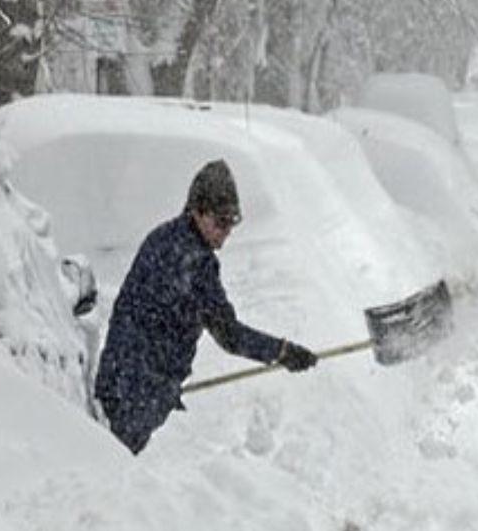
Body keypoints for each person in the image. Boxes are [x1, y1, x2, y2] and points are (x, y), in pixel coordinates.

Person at [94, 159, 317, 454]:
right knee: (121, 474)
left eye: (232, 222)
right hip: (138, 394)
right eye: (221, 221)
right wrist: (283, 352)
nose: (227, 231)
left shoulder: (164, 237)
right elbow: (230, 336)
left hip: (119, 379)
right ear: (197, 211)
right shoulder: (195, 263)